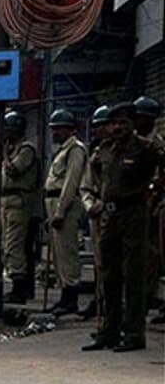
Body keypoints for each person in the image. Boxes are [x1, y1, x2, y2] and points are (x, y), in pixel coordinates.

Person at [81, 103, 165, 352]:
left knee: (133, 274)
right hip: (110, 215)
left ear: (132, 123)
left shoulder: (145, 148)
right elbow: (95, 176)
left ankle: (133, 333)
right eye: (114, 123)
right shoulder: (105, 149)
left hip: (134, 213)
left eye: (123, 123)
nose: (118, 127)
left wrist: (153, 191)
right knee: (109, 273)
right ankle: (109, 330)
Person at [42, 109, 88, 316]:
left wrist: (60, 211)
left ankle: (71, 298)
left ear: (70, 129)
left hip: (66, 203)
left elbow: (71, 181)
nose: (55, 132)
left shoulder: (75, 149)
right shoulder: (61, 150)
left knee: (68, 252)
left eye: (59, 128)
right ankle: (64, 296)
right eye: (54, 129)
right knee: (59, 253)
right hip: (54, 202)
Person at [77, 105, 113, 321]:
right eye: (97, 126)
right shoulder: (98, 153)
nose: (100, 130)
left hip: (125, 214)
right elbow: (86, 185)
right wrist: (90, 204)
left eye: (104, 125)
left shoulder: (135, 149)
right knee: (102, 264)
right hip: (99, 214)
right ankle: (103, 312)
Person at [0, 110, 40, 303]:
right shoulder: (12, 148)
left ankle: (20, 288)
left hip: (19, 201)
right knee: (8, 245)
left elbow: (13, 171)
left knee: (14, 244)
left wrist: (4, 154)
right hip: (7, 201)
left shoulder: (26, 149)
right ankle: (19, 285)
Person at [131, 96, 164, 323]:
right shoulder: (131, 143)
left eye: (143, 118)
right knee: (141, 257)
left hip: (156, 204)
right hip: (137, 204)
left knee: (158, 254)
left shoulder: (157, 145)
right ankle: (141, 301)